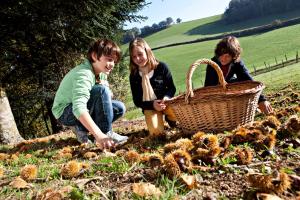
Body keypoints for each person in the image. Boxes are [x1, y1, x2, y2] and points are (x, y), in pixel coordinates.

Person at [52, 39, 128, 149]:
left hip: (79, 107)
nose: (112, 65)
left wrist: (105, 91)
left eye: (114, 62)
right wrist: (99, 135)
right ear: (94, 56)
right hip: (65, 112)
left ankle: (82, 128)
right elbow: (78, 107)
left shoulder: (101, 72)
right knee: (101, 91)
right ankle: (105, 134)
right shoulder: (84, 74)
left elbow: (104, 98)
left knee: (119, 108)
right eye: (109, 59)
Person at [204, 36, 273, 114]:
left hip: (228, 89)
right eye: (221, 55)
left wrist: (262, 100)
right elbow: (208, 87)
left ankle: (247, 106)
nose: (223, 58)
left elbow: (248, 80)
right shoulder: (212, 64)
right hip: (215, 95)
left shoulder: (237, 63)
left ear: (234, 56)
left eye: (227, 56)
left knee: (242, 84)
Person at [129, 38, 177, 137]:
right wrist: (152, 105)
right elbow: (137, 100)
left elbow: (172, 88)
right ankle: (159, 124)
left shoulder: (161, 67)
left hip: (166, 103)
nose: (137, 59)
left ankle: (170, 119)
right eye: (134, 57)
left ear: (147, 51)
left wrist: (166, 98)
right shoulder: (134, 75)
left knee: (175, 113)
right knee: (156, 133)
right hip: (149, 107)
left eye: (140, 54)